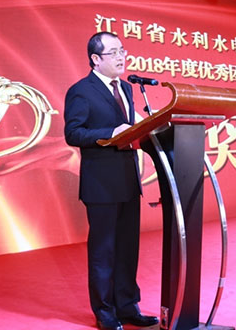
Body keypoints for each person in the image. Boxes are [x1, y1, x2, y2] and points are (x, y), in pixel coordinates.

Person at [64, 32, 159, 330]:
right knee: (103, 250)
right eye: (113, 52)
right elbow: (73, 133)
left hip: (128, 179)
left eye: (122, 51)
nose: (121, 57)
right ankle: (105, 312)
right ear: (95, 59)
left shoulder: (127, 88)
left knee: (128, 248)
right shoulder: (81, 91)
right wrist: (109, 133)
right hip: (101, 184)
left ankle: (128, 306)